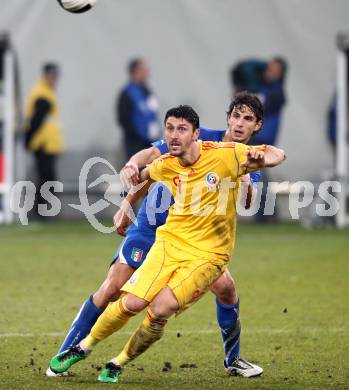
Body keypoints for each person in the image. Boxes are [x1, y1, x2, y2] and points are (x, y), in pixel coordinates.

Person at [47, 93, 284, 379]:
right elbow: (151, 160)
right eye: (237, 116)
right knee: (112, 288)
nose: (240, 124)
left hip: (195, 243)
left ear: (258, 126)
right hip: (151, 228)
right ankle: (66, 353)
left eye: (248, 119)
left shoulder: (244, 159)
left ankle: (232, 360)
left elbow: (248, 200)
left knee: (226, 289)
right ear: (228, 117)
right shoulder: (197, 136)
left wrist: (248, 178)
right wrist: (127, 201)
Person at [24, 63, 63, 217]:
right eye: (52, 76)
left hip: (47, 144)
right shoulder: (42, 94)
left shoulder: (46, 92)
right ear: (45, 76)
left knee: (47, 179)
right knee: (46, 180)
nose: (54, 79)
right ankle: (40, 212)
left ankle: (42, 211)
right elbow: (36, 120)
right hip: (43, 144)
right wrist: (28, 139)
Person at [117, 58, 161, 160]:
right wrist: (136, 136)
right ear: (135, 72)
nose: (147, 72)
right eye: (143, 69)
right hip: (135, 145)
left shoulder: (147, 91)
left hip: (151, 142)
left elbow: (152, 113)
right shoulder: (127, 93)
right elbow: (123, 118)